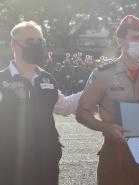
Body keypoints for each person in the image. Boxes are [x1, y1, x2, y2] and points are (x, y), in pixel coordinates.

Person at [76, 15, 139, 185]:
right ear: (120, 41)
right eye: (135, 38)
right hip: (115, 154)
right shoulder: (102, 74)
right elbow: (82, 112)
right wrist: (105, 127)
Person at [0, 21, 81, 185]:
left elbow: (64, 106)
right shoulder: (2, 80)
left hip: (46, 162)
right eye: (30, 41)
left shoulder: (47, 79)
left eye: (39, 41)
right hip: (10, 164)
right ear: (13, 45)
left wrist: (94, 86)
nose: (36, 45)